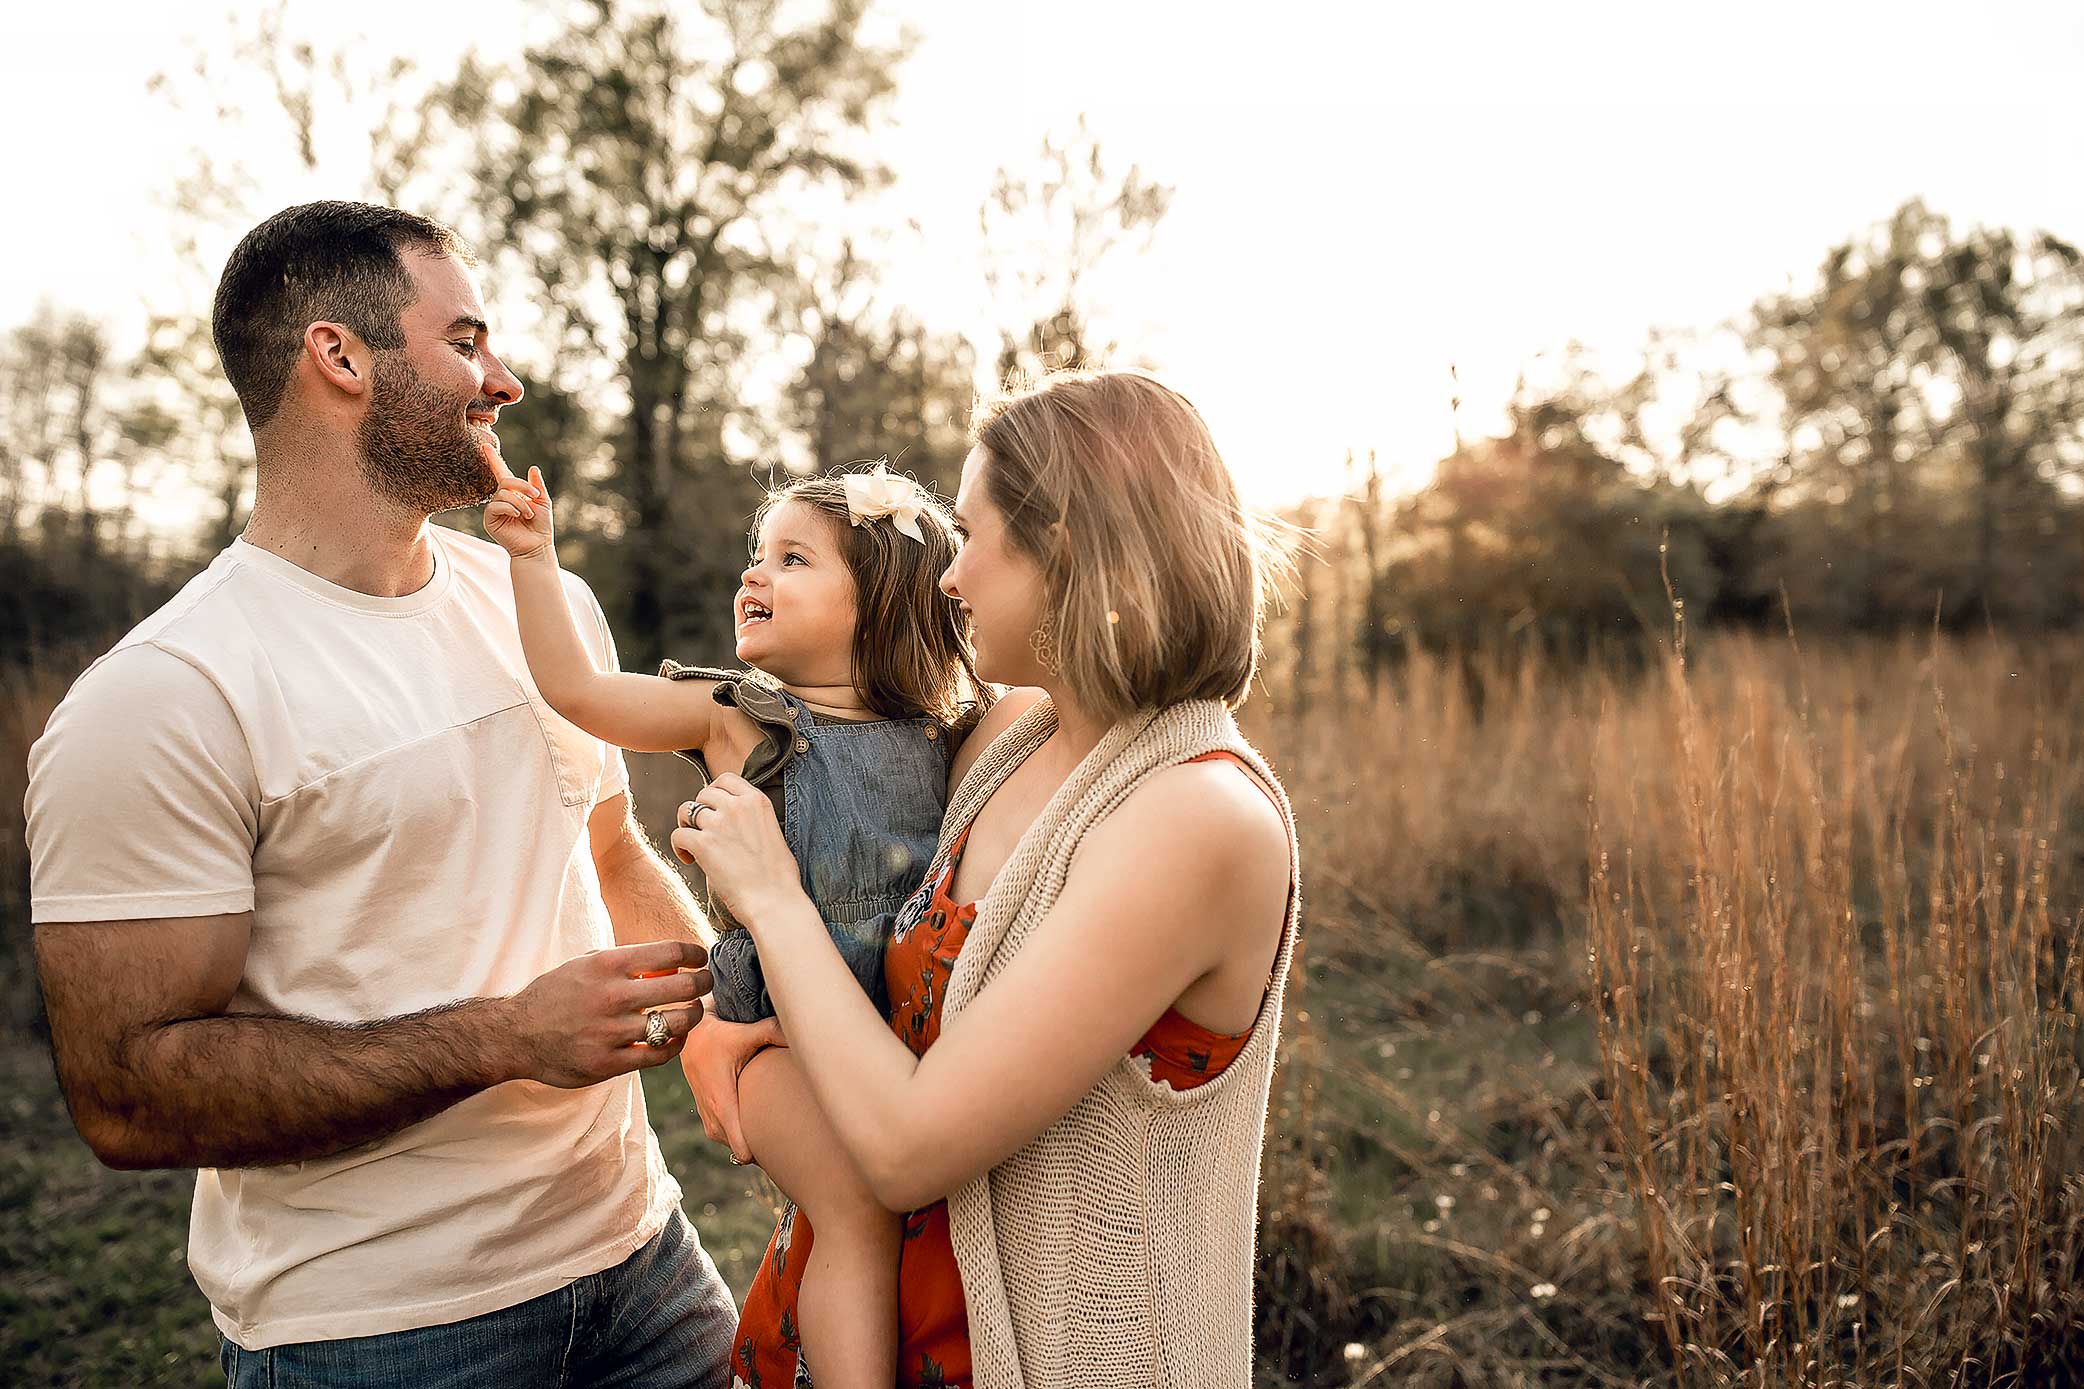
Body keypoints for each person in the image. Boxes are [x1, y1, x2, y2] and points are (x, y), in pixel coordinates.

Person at [24, 200, 740, 1387]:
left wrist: (721, 1014)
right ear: (339, 356)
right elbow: (129, 1094)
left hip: (645, 1261)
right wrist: (505, 1040)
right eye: (464, 340)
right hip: (382, 1332)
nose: (501, 380)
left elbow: (608, 855)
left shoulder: (544, 607)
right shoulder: (160, 697)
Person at [679, 369, 1302, 1387]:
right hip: (855, 1334)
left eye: (969, 538)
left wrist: (769, 901)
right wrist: (728, 1029)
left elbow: (908, 1146)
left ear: (1065, 553)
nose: (948, 578)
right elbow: (859, 934)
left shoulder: (1196, 817)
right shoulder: (1009, 738)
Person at [480, 456, 985, 1387]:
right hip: (772, 1043)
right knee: (855, 1212)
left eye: (794, 559)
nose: (754, 573)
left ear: (880, 603)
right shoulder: (737, 718)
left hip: (887, 1043)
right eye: (759, 554)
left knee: (912, 1215)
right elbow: (580, 692)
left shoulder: (946, 733)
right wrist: (533, 561)